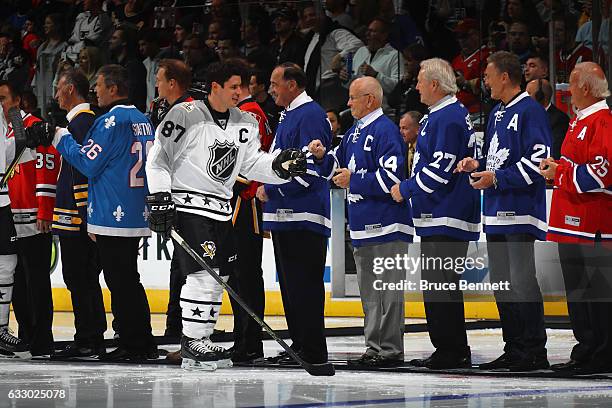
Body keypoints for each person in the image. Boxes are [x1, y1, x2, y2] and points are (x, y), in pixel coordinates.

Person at [145, 60, 305, 370]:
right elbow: (158, 159)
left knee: (218, 278)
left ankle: (200, 340)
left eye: (242, 87)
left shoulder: (244, 121)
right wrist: (161, 197)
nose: (239, 92)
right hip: (189, 207)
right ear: (215, 87)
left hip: (222, 210)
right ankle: (192, 340)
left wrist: (278, 168)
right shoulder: (184, 114)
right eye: (233, 86)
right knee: (202, 275)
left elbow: (250, 164)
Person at [27, 64, 158, 361]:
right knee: (127, 280)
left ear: (113, 88)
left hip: (113, 213)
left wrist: (60, 137)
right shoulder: (141, 119)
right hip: (134, 210)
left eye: (99, 85)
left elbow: (87, 164)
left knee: (118, 281)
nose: (95, 90)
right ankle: (139, 340)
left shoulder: (110, 121)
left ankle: (133, 343)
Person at [456, 51, 551, 371]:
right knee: (503, 282)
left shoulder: (530, 111)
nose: (484, 80)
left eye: (487, 75)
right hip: (496, 211)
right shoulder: (497, 112)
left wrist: (496, 177)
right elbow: (500, 160)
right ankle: (514, 347)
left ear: (505, 77)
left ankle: (533, 350)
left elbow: (539, 163)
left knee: (521, 280)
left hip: (520, 210)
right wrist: (479, 165)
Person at [310, 76, 411, 367]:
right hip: (362, 225)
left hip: (388, 225)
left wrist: (355, 180)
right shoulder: (354, 132)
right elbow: (335, 167)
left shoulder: (386, 130)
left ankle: (390, 350)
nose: (348, 103)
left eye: (353, 98)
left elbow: (393, 178)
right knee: (370, 293)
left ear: (370, 99)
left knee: (388, 292)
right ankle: (374, 347)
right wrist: (320, 157)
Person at [390, 58, 480, 369]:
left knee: (441, 284)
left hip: (447, 213)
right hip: (440, 214)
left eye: (419, 81)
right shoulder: (442, 115)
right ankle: (450, 347)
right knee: (439, 285)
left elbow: (440, 170)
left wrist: (407, 188)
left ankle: (451, 350)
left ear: (434, 84)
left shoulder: (449, 116)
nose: (415, 86)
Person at [256, 63, 332, 366]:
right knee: (292, 286)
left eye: (275, 83)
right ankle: (301, 345)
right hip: (287, 216)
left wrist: (271, 191)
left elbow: (310, 168)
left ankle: (311, 349)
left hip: (304, 215)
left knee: (304, 285)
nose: (271, 89)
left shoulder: (310, 114)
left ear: (292, 84)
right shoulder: (290, 115)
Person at [540, 62, 612, 375]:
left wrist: (562, 172)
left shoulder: (603, 122)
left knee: (595, 295)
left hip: (592, 225)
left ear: (585, 87)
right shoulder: (578, 121)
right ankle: (585, 350)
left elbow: (602, 173)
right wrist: (558, 168)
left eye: (570, 83)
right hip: (569, 222)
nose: (566, 91)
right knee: (579, 295)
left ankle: (602, 353)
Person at [50, 68, 106, 358]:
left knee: (79, 277)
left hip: (76, 219)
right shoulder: (81, 122)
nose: (56, 94)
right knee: (83, 277)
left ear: (71, 89)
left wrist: (86, 216)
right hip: (76, 216)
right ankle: (92, 336)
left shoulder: (81, 123)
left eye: (59, 88)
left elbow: (83, 172)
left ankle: (87, 338)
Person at [0, 81, 59, 357]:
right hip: (9, 217)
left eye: (3, 99)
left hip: (34, 219)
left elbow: (48, 167)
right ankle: (25, 334)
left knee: (36, 280)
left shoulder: (34, 126)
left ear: (17, 101)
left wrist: (45, 209)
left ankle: (41, 339)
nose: (0, 105)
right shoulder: (4, 130)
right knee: (16, 281)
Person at [227, 58, 274, 364]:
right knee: (239, 275)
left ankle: (250, 340)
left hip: (244, 203)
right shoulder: (248, 113)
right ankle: (244, 338)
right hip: (240, 201)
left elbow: (247, 163)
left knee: (244, 274)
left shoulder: (248, 113)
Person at [150, 59, 195, 347]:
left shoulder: (188, 111)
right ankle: (175, 325)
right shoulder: (169, 109)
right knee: (178, 266)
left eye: (159, 78)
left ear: (172, 83)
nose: (156, 83)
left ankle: (186, 329)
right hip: (177, 197)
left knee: (187, 267)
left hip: (188, 198)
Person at [526, 79, 569, 159]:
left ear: (540, 97)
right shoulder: (524, 116)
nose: (524, 98)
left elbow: (554, 154)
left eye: (528, 94)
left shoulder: (560, 120)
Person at [398, 111, 422, 177]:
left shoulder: (427, 149)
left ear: (418, 129)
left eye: (405, 128)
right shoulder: (401, 147)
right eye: (400, 128)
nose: (401, 132)